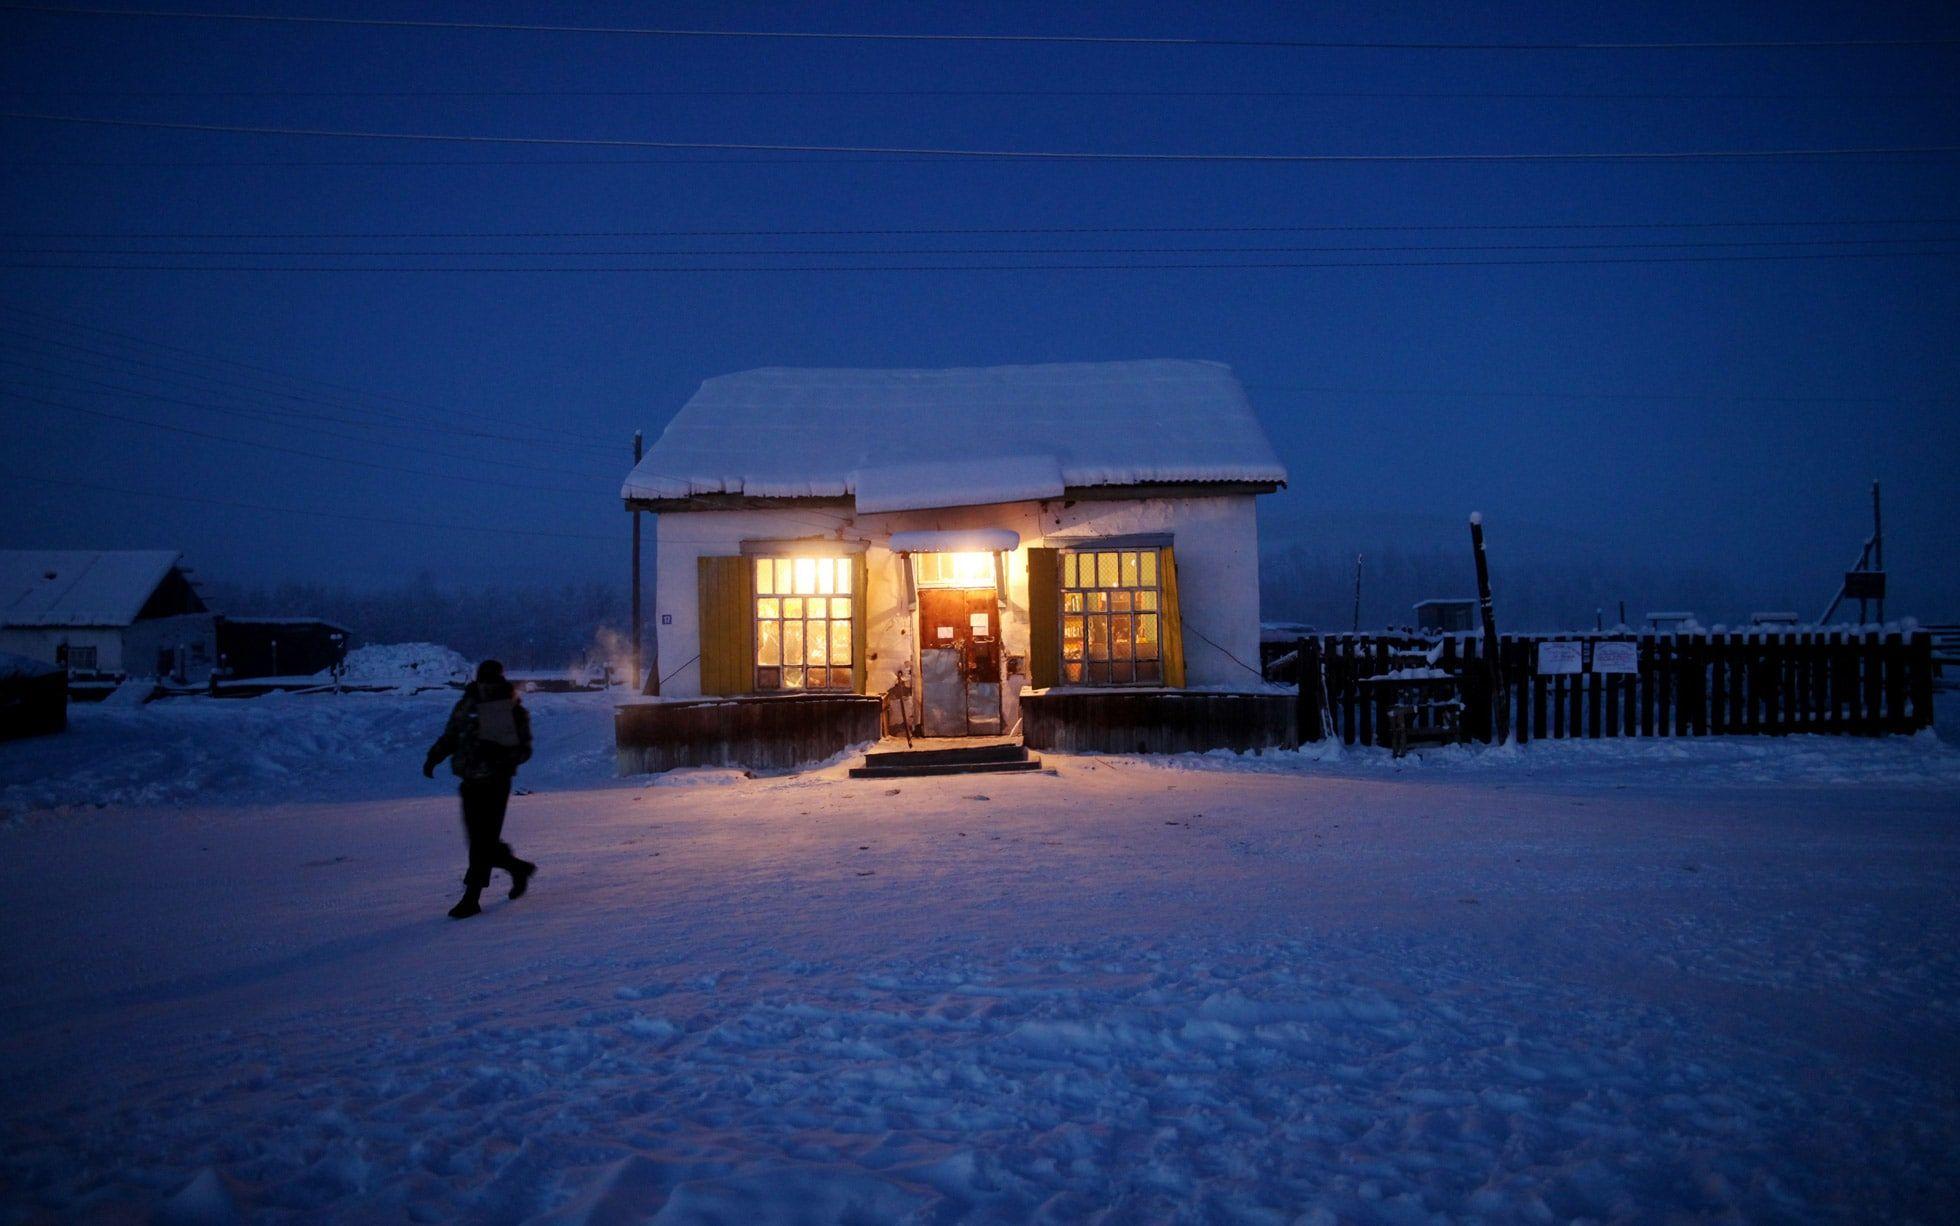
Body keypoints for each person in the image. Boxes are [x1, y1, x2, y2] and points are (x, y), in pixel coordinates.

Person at [424, 659, 537, 919]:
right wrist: (434, 756)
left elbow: (524, 750)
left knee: (481, 843)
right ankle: (517, 868)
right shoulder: (467, 704)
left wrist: (502, 756)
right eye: (483, 682)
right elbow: (452, 735)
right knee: (479, 841)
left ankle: (471, 897)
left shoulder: (511, 710)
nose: (486, 687)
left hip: (495, 784)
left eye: (491, 682)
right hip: (469, 781)